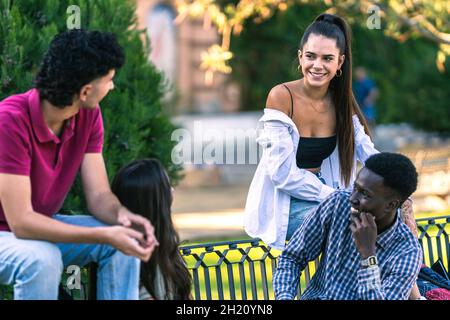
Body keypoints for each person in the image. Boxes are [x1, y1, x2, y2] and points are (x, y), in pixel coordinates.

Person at [0, 29, 158, 300]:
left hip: (36, 226)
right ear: (85, 91)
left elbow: (98, 195)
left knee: (125, 243)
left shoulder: (88, 116)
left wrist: (122, 217)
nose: (113, 87)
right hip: (9, 232)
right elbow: (21, 223)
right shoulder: (9, 122)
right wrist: (104, 235)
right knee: (43, 259)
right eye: (109, 80)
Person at [244, 13, 378, 250]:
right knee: (353, 227)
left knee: (390, 219)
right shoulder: (281, 97)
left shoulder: (341, 102)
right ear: (300, 57)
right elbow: (282, 174)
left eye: (327, 58)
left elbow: (367, 151)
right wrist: (339, 198)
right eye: (310, 56)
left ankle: (416, 286)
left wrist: (397, 184)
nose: (317, 65)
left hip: (327, 196)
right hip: (286, 204)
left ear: (340, 62)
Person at [273, 152, 423, 300]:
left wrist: (368, 255)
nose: (352, 199)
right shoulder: (337, 203)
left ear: (391, 205)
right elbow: (292, 258)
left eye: (365, 194)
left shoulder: (407, 252)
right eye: (355, 188)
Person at [111, 159, 192, 300]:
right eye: (167, 187)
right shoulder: (126, 259)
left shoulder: (167, 247)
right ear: (154, 204)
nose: (172, 191)